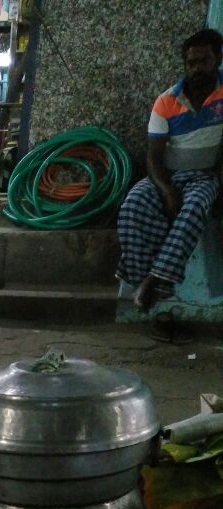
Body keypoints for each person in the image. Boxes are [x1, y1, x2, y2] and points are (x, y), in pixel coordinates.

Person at [116, 28, 223, 312]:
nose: (197, 69)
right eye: (191, 63)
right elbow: (153, 157)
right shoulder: (166, 102)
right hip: (167, 176)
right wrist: (167, 190)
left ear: (218, 60)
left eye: (204, 61)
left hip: (205, 176)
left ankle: (154, 280)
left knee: (195, 207)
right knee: (132, 207)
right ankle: (147, 280)